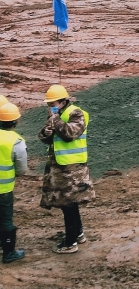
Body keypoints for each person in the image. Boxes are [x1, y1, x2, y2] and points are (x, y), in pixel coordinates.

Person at [38, 84, 95, 254]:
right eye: (49, 104)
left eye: (52, 103)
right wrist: (49, 128)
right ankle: (78, 234)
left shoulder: (76, 114)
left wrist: (55, 120)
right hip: (61, 168)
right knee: (69, 204)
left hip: (72, 169)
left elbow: (70, 134)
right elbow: (43, 136)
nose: (50, 107)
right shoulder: (59, 115)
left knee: (69, 204)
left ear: (63, 101)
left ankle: (70, 242)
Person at [0, 96, 27, 263]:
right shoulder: (16, 142)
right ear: (15, 122)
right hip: (4, 190)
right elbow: (22, 169)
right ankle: (9, 252)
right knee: (5, 220)